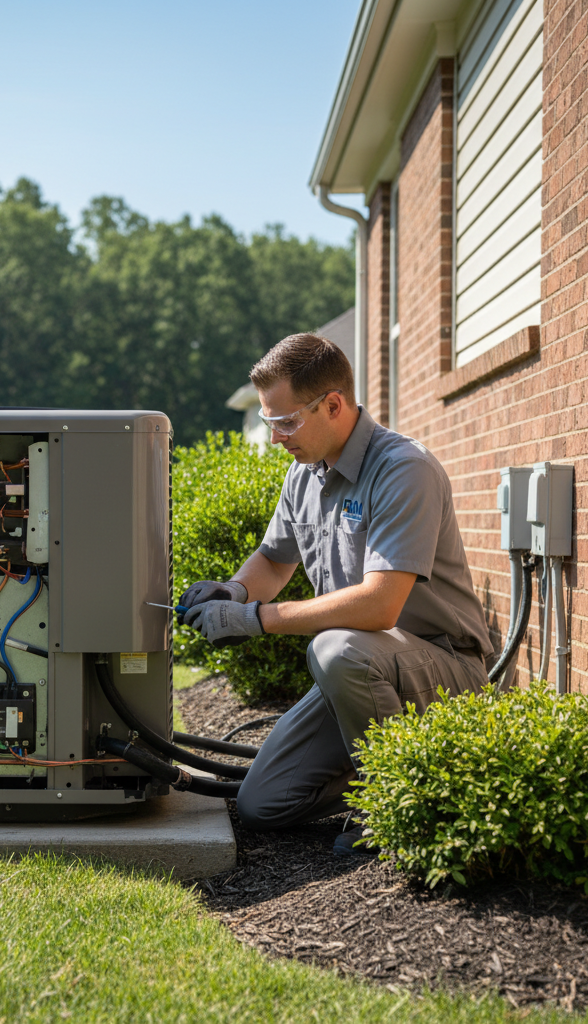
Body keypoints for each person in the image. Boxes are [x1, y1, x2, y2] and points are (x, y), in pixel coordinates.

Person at [180, 333, 492, 854]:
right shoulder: (304, 475)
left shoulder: (402, 469)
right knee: (263, 804)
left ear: (333, 404)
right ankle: (413, 769)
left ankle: (398, 805)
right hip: (362, 674)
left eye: (286, 421)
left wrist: (257, 618)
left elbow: (380, 605)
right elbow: (275, 560)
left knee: (335, 648)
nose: (276, 437)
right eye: (268, 422)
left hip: (444, 666)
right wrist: (234, 591)